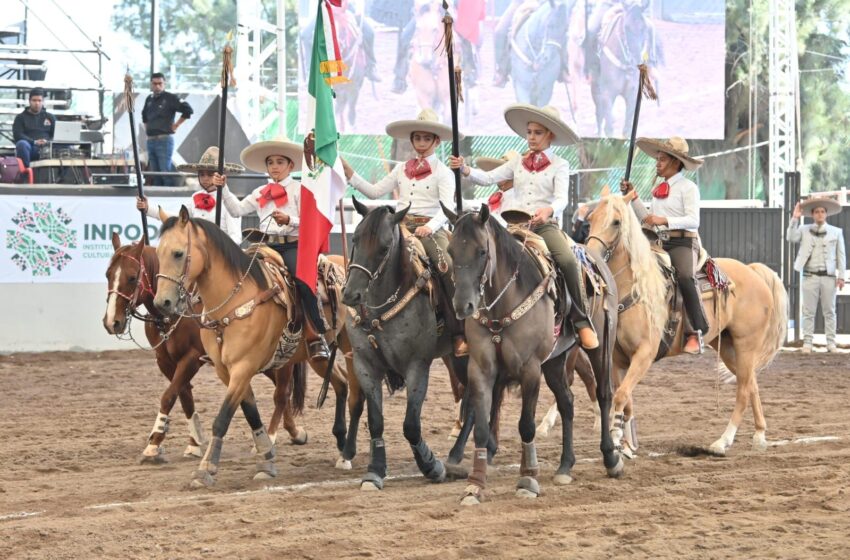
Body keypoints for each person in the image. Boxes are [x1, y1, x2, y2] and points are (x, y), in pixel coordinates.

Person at [450, 103, 599, 350]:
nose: (531, 137)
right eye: (529, 132)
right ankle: (479, 321)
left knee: (568, 261)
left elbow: (561, 197)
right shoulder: (518, 161)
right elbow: (488, 178)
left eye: (537, 132)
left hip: (544, 227)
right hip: (514, 227)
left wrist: (549, 209)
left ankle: (581, 321)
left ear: (550, 135)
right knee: (486, 260)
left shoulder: (560, 164)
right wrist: (464, 169)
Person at [340, 108, 468, 357]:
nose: (421, 143)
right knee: (369, 258)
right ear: (412, 140)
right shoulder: (401, 169)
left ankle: (458, 332)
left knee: (448, 267)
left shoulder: (443, 172)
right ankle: (364, 324)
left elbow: (448, 207)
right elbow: (376, 192)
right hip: (399, 226)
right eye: (417, 138)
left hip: (431, 228)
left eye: (426, 139)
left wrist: (429, 226)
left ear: (436, 141)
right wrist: (351, 175)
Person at [219, 138, 330, 361]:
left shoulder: (300, 189)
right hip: (264, 246)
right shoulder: (261, 191)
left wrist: (290, 219)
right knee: (237, 277)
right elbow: (236, 210)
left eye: (280, 162)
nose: (275, 167)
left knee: (302, 281)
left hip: (292, 245)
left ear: (290, 166)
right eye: (270, 163)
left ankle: (316, 333)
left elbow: (312, 221)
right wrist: (224, 189)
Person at [620, 136, 708, 355]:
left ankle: (694, 331)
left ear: (676, 162)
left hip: (683, 242)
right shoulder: (659, 189)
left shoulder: (689, 188)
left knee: (685, 277)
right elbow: (647, 219)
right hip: (658, 243)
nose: (657, 163)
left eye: (662, 159)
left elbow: (694, 220)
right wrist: (632, 198)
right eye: (657, 159)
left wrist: (664, 220)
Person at [136, 146, 243, 244]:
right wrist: (148, 209)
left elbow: (236, 237)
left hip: (220, 257)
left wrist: (219, 247)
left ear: (220, 176)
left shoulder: (231, 201)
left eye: (210, 174)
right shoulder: (195, 197)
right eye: (201, 174)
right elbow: (179, 220)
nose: (205, 178)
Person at [787, 196, 846, 353]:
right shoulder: (803, 230)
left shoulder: (836, 232)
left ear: (826, 214)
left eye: (822, 212)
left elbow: (841, 255)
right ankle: (807, 343)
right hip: (809, 276)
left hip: (829, 277)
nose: (820, 214)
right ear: (812, 214)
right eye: (817, 212)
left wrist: (841, 277)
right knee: (808, 311)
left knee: (830, 311)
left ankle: (831, 343)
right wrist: (794, 218)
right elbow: (790, 237)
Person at [141, 73, 193, 186]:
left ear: (164, 84)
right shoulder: (149, 99)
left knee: (165, 171)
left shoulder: (170, 98)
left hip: (164, 140)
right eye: (155, 84)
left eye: (160, 83)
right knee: (155, 173)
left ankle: (168, 198)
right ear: (151, 84)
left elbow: (188, 110)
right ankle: (157, 199)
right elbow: (144, 116)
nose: (157, 86)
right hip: (151, 140)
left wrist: (176, 125)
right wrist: (148, 130)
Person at [13, 88, 56, 169]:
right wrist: (34, 142)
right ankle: (25, 174)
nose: (37, 103)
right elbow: (18, 135)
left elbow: (56, 134)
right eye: (34, 100)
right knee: (22, 144)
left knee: (66, 147)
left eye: (39, 100)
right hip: (30, 148)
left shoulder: (50, 117)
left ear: (43, 102)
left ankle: (62, 178)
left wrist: (48, 142)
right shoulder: (20, 117)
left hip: (48, 148)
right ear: (29, 101)